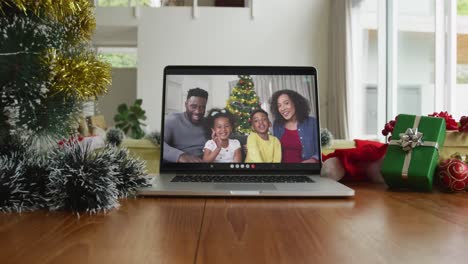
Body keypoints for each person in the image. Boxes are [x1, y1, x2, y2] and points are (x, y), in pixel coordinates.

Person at [270, 89, 319, 163]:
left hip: (304, 170)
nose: (282, 108)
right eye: (279, 105)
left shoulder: (312, 123)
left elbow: (321, 149)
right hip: (283, 171)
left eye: (286, 103)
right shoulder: (277, 125)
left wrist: (314, 160)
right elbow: (274, 149)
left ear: (295, 103)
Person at [163, 87, 209, 163]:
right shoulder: (173, 120)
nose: (197, 111)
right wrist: (180, 156)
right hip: (181, 167)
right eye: (193, 106)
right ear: (186, 105)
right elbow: (159, 144)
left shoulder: (208, 122)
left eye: (202, 107)